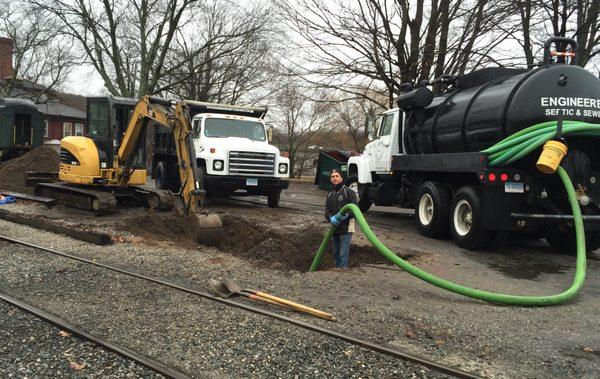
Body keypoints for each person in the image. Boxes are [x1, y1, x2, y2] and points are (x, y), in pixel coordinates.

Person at [325, 170, 358, 269]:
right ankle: (337, 271)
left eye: (337, 176)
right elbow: (327, 211)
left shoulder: (349, 192)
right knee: (336, 253)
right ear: (331, 180)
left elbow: (355, 210)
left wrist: (345, 216)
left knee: (343, 253)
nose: (335, 178)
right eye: (332, 177)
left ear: (341, 178)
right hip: (335, 228)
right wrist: (331, 218)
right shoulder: (330, 194)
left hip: (346, 228)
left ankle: (343, 271)